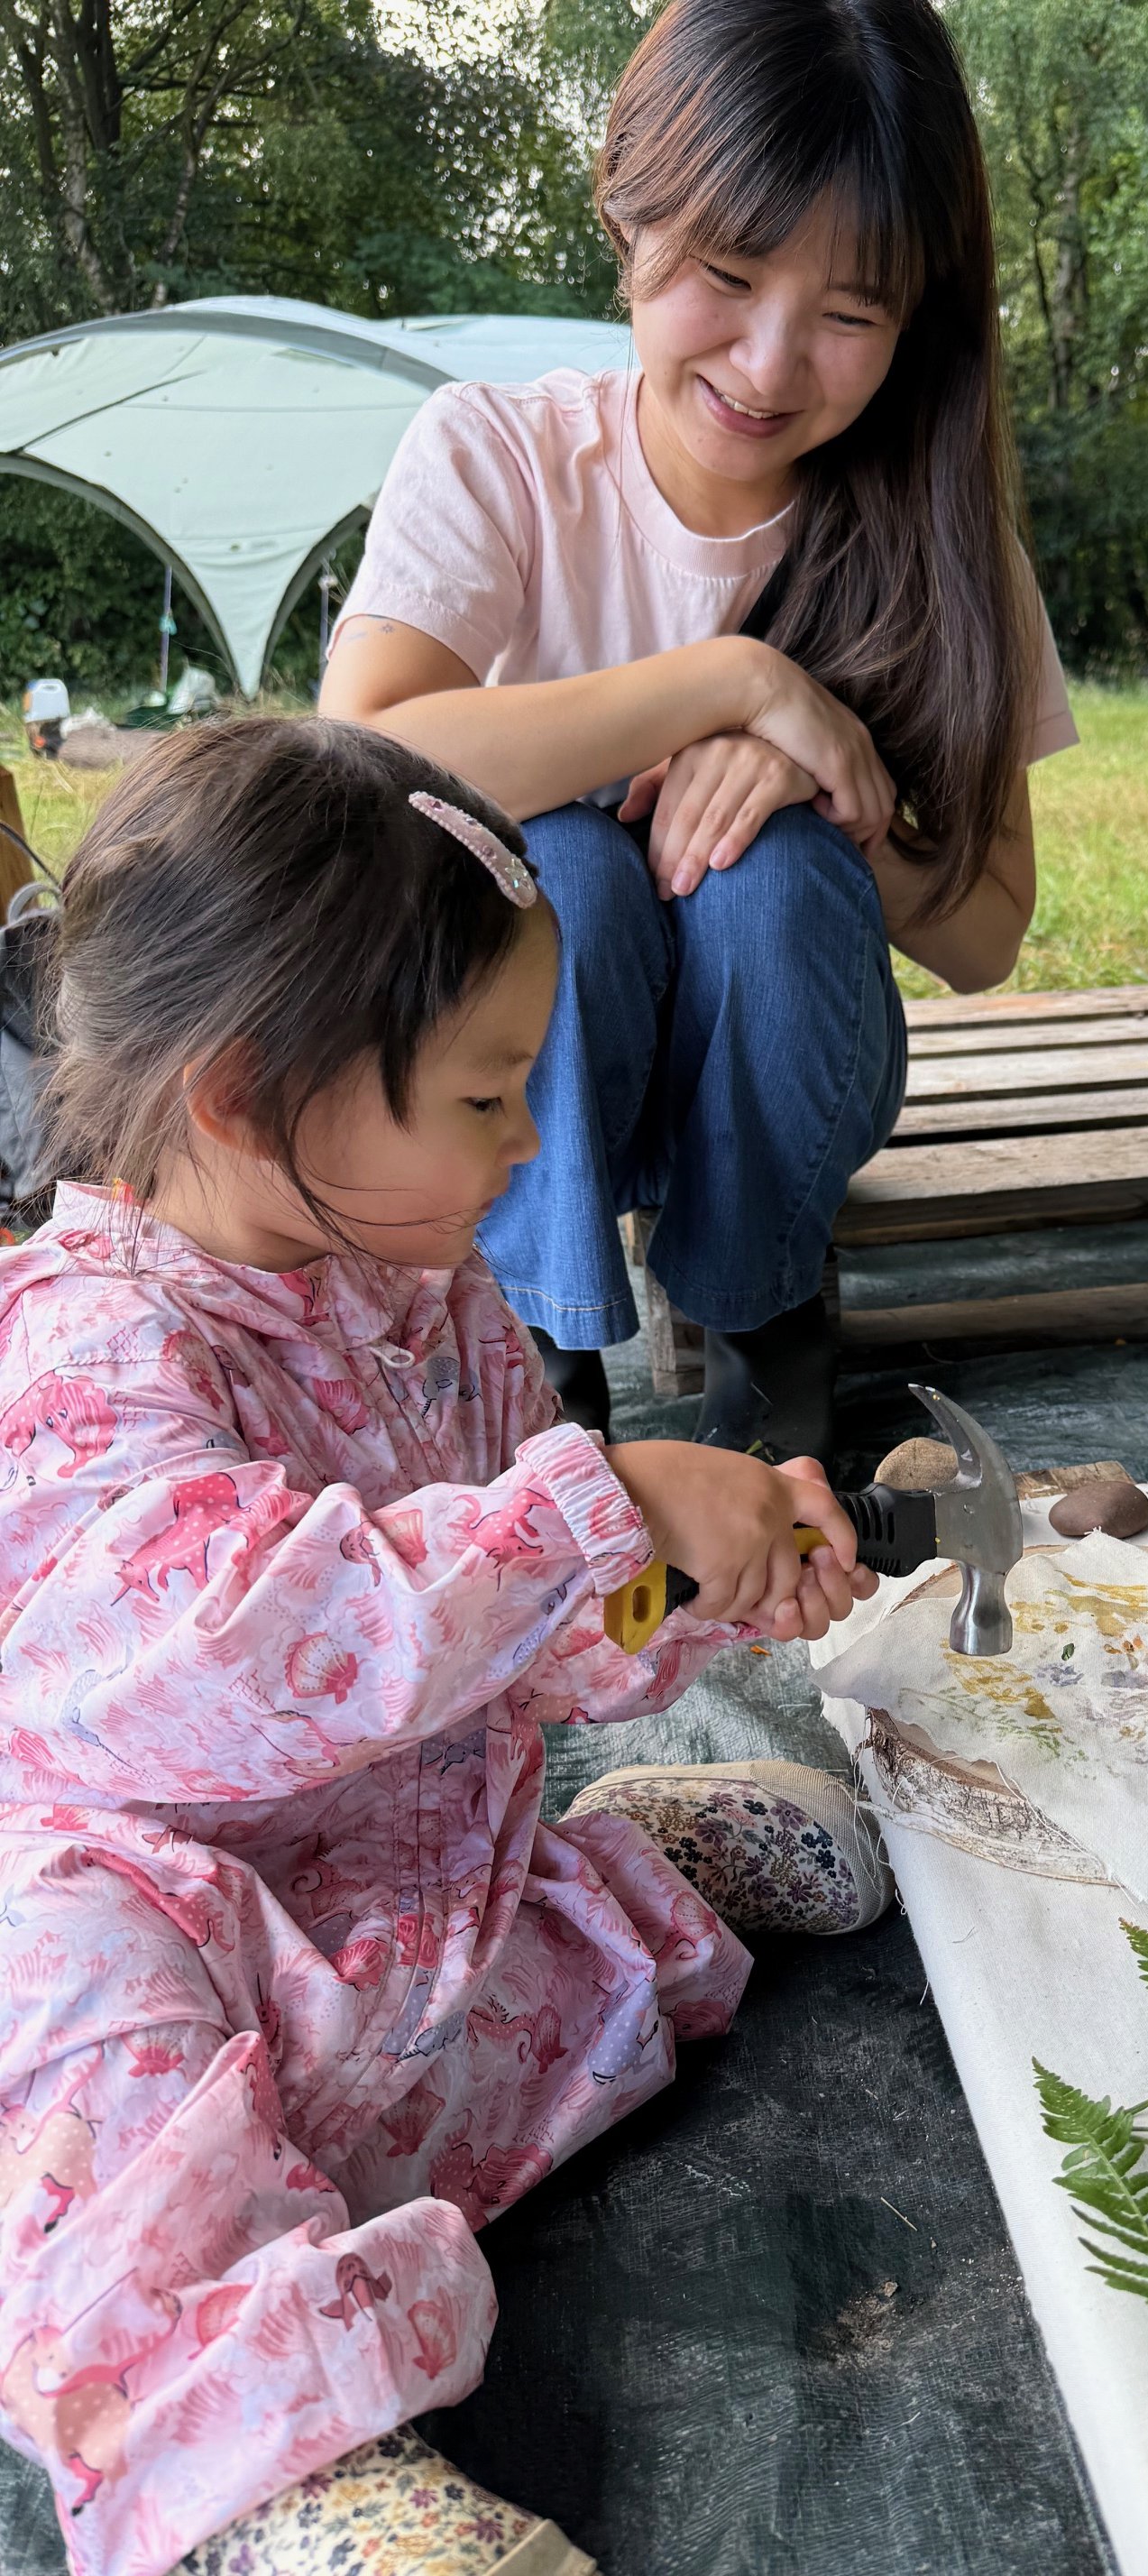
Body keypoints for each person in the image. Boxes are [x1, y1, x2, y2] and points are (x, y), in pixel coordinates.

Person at [0, 719, 891, 2576]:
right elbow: (219, 1657)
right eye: (485, 1098)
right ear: (252, 1098)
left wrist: (672, 1585)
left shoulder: (432, 1292)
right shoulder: (83, 1345)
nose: (531, 1144)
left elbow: (518, 1629)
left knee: (537, 1969)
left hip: (410, 1926)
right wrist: (597, 1516)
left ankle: (628, 1865)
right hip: (183, 1958)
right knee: (84, 2021)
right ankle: (264, 2468)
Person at [320, 0, 1079, 1460]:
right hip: (524, 1088)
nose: (771, 361)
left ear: (917, 317)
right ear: (629, 208)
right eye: (726, 275)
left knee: (773, 872)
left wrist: (827, 778)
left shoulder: (940, 538)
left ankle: (767, 1329)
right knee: (563, 868)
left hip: (787, 1076)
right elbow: (362, 765)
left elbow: (984, 939)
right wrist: (730, 680)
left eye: (849, 313)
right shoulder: (501, 454)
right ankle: (541, 1356)